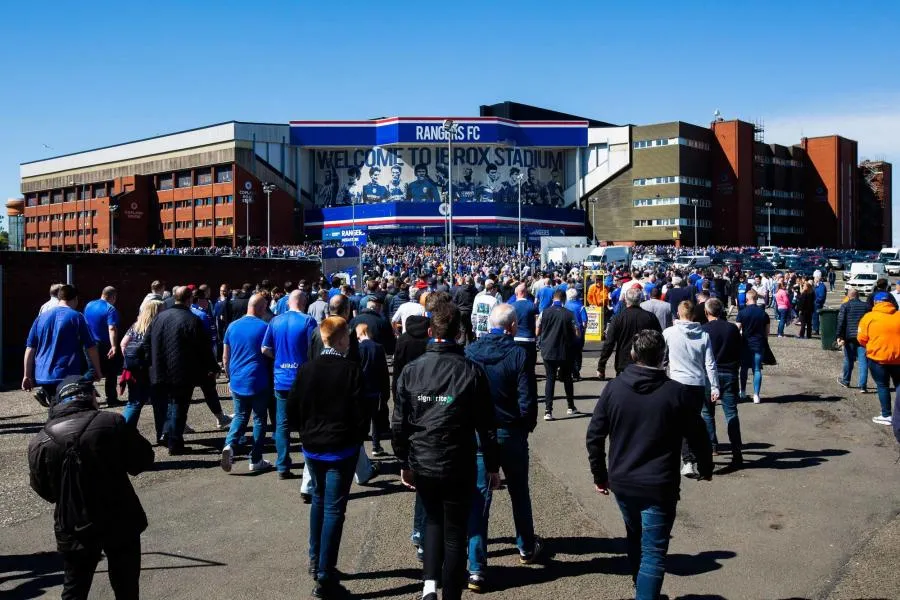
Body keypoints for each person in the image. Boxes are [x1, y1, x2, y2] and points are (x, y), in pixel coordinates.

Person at [586, 330, 712, 600]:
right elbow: (698, 434)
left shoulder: (614, 388)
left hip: (624, 481)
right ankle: (644, 592)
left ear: (633, 354)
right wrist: (706, 466)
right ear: (663, 357)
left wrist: (600, 475)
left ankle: (641, 588)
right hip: (658, 484)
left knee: (635, 537)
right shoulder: (675, 393)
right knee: (653, 552)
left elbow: (594, 436)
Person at [393, 302, 500, 600]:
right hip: (457, 459)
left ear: (430, 332)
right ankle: (449, 593)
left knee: (433, 520)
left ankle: (429, 586)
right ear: (459, 334)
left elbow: (399, 421)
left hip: (425, 458)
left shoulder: (412, 371)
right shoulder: (470, 370)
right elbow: (486, 426)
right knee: (454, 531)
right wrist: (493, 466)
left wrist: (404, 459)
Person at [28, 376, 155, 600]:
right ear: (90, 397)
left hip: (73, 523)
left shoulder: (41, 440)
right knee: (126, 586)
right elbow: (143, 459)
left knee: (74, 587)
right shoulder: (113, 423)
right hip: (120, 516)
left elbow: (44, 490)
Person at [464, 304, 543, 592]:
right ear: (511, 327)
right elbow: (527, 397)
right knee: (519, 490)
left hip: (480, 432)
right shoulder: (518, 354)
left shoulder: (471, 352)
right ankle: (524, 545)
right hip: (509, 430)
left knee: (479, 497)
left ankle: (476, 566)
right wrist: (526, 426)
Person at [290, 316, 370, 598]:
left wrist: (306, 433)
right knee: (334, 508)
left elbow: (293, 409)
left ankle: (316, 559)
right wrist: (357, 436)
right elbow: (362, 411)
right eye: (347, 337)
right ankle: (324, 573)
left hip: (314, 445)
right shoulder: (351, 370)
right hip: (340, 447)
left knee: (320, 501)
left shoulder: (306, 369)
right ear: (340, 340)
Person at [140, 285, 217, 455]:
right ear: (190, 299)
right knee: (179, 408)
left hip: (159, 370)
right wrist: (212, 367)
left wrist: (151, 361)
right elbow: (203, 348)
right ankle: (175, 442)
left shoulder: (159, 317)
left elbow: (146, 342)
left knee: (167, 406)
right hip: (182, 372)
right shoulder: (192, 320)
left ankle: (167, 435)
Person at [262, 290, 318, 479]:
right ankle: (310, 465)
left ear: (288, 303)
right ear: (303, 302)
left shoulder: (275, 321)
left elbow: (264, 348)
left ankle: (282, 465)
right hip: (301, 378)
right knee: (306, 422)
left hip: (281, 377)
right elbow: (314, 348)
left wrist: (278, 358)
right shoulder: (308, 321)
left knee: (282, 424)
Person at [663, 301, 719, 479]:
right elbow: (710, 363)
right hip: (697, 383)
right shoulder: (703, 334)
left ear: (678, 314)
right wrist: (715, 386)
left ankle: (683, 460)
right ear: (694, 315)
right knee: (691, 423)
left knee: (673, 423)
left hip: (676, 382)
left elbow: (661, 358)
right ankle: (690, 460)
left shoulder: (669, 333)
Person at [23, 284, 102, 407]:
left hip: (43, 374)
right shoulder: (77, 317)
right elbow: (90, 346)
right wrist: (97, 370)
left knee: (55, 410)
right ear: (75, 299)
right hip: (66, 372)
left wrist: (27, 375)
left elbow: (30, 348)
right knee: (70, 411)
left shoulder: (41, 318)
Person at [221, 294, 274, 473]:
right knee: (259, 419)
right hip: (258, 378)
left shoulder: (232, 326)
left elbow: (225, 357)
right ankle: (256, 459)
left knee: (240, 415)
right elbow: (268, 352)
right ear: (260, 308)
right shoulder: (265, 327)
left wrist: (229, 376)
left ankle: (230, 445)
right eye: (265, 307)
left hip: (237, 379)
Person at [701, 298, 744, 470]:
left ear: (707, 312)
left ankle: (712, 446)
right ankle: (736, 450)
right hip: (729, 372)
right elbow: (739, 349)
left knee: (707, 412)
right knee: (731, 413)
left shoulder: (703, 330)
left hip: (709, 374)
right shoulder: (732, 328)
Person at [119, 300, 167, 438]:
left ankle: (124, 432)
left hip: (134, 370)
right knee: (160, 403)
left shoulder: (136, 326)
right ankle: (162, 434)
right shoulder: (158, 326)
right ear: (157, 311)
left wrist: (132, 360)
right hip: (152, 370)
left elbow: (123, 344)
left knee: (134, 402)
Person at [597, 288, 662, 379]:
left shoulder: (618, 318)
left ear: (625, 300)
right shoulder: (650, 317)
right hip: (646, 362)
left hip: (624, 363)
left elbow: (609, 343)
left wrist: (601, 366)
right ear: (640, 300)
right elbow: (659, 340)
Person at [856, 292, 900, 426]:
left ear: (875, 303)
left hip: (877, 358)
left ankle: (886, 415)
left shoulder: (868, 317)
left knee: (882, 385)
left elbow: (861, 339)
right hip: (898, 358)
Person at [537, 289, 580, 421]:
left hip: (548, 350)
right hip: (565, 350)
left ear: (553, 299)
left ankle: (548, 410)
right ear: (564, 299)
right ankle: (570, 406)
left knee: (550, 379)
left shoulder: (544, 312)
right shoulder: (569, 314)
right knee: (567, 378)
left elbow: (537, 330)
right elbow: (577, 332)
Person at [83, 286, 122, 406]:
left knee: (92, 369)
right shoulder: (110, 309)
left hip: (89, 343)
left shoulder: (89, 305)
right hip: (103, 344)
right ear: (113, 297)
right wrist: (114, 346)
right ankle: (111, 398)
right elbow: (112, 328)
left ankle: (84, 393)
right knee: (111, 371)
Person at [356, 323, 390, 457]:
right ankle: (376, 446)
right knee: (375, 419)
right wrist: (385, 391)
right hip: (375, 389)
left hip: (361, 390)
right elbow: (384, 372)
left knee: (361, 420)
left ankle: (360, 449)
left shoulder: (358, 348)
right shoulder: (378, 347)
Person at [736, 289, 770, 404]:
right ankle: (756, 395)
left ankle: (743, 391)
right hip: (759, 343)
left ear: (747, 299)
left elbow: (737, 330)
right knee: (757, 369)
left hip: (745, 343)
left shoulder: (742, 313)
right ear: (756, 298)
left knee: (744, 368)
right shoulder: (764, 314)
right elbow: (767, 333)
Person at [836, 288, 870, 392]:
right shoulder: (866, 306)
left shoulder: (845, 306)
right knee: (863, 361)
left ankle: (846, 381)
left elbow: (841, 321)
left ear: (849, 296)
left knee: (849, 359)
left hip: (849, 336)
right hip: (862, 337)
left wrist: (839, 336)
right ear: (858, 296)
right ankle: (863, 385)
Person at [564, 287, 588, 380]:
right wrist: (583, 331)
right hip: (578, 333)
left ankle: (569, 371)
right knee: (578, 353)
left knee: (568, 353)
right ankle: (576, 372)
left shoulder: (565, 306)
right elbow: (584, 322)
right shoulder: (581, 306)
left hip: (567, 333)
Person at [452, 275, 478, 345]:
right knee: (469, 328)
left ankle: (462, 344)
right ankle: (468, 343)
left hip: (461, 311)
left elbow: (455, 300)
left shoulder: (459, 289)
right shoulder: (474, 290)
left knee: (463, 329)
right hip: (470, 311)